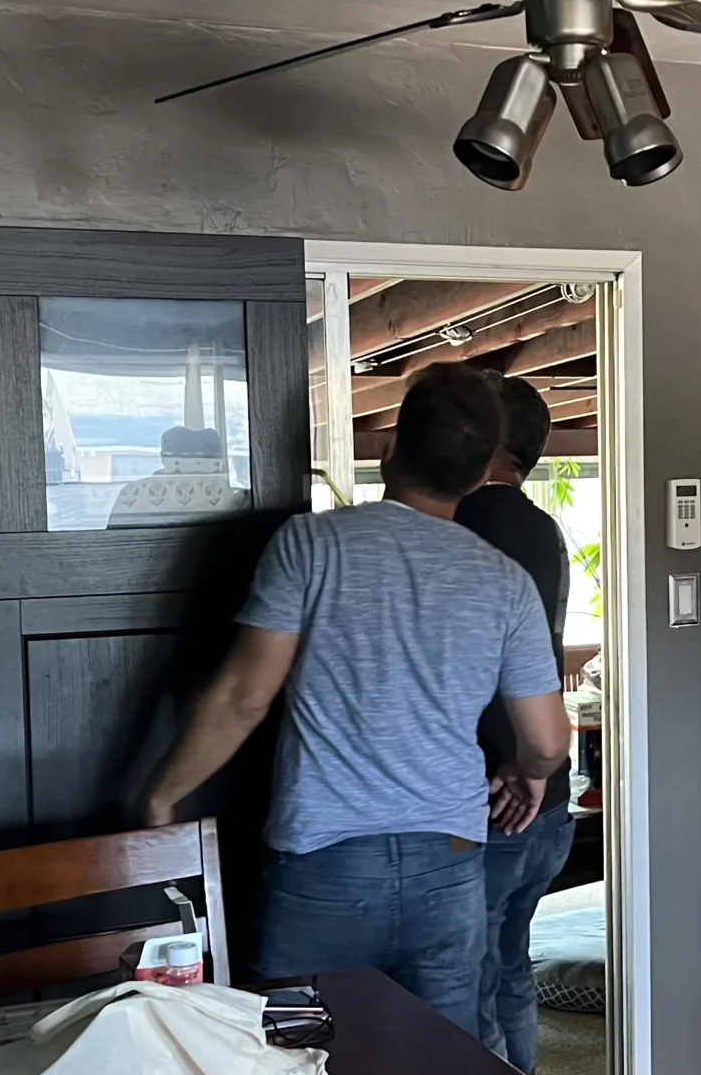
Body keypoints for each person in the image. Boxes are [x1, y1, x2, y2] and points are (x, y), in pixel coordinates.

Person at [136, 362, 571, 1034]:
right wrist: (530, 774)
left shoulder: (312, 545)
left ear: (391, 446)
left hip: (321, 866)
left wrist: (162, 796)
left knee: (289, 1071)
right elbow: (545, 741)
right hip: (450, 865)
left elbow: (244, 698)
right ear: (484, 467)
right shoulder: (504, 580)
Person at [456, 372, 574, 1075]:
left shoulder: (466, 525)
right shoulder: (544, 529)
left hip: (496, 800)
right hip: (548, 799)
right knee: (510, 970)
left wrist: (518, 767)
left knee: (472, 986)